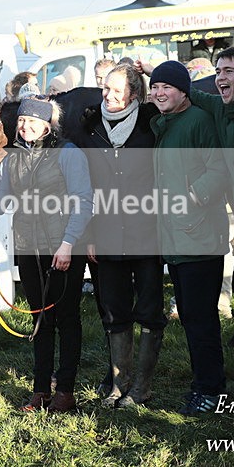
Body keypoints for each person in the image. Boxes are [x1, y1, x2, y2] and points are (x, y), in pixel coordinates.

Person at [64, 64, 166, 409]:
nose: (106, 95)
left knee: (150, 309)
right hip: (105, 232)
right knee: (113, 310)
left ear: (134, 93)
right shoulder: (88, 127)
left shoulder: (151, 123)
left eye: (115, 90)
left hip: (147, 232)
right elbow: (82, 187)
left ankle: (142, 387)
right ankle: (118, 385)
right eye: (104, 88)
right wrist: (89, 234)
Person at [0, 97, 92, 412]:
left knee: (67, 318)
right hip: (28, 247)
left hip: (63, 246)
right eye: (22, 121)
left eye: (33, 122)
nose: (25, 127)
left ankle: (65, 390)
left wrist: (67, 244)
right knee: (40, 319)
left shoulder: (68, 153)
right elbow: (2, 198)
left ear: (47, 125)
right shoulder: (12, 159)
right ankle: (40, 390)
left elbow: (83, 200)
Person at [149, 61, 229, 415]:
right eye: (155, 87)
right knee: (192, 318)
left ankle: (211, 390)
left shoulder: (198, 121)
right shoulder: (164, 124)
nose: (159, 93)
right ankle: (203, 384)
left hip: (199, 237)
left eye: (166, 87)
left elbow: (219, 167)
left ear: (184, 91)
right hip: (177, 239)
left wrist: (194, 197)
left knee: (201, 321)